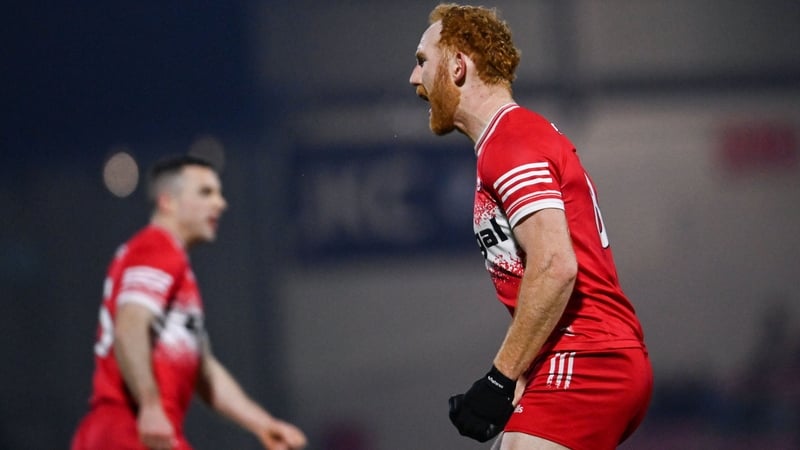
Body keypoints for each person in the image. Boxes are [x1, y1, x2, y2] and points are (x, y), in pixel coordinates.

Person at [409, 4, 652, 449]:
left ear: (459, 65)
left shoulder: (511, 140)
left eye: (423, 61)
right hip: (584, 356)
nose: (414, 79)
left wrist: (499, 378)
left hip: (587, 355)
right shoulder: (510, 138)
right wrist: (519, 376)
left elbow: (557, 265)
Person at [72, 155, 307, 450]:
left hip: (128, 431)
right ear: (167, 201)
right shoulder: (157, 248)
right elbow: (129, 325)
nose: (220, 203)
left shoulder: (171, 262)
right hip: (130, 429)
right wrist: (150, 404)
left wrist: (262, 424)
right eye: (206, 192)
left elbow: (203, 369)